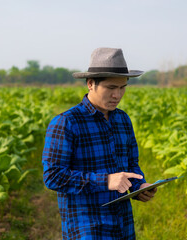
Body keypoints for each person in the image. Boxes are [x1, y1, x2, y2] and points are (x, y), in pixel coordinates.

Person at [42, 47, 156, 240]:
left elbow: (130, 165)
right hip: (87, 225)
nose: (117, 95)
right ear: (90, 84)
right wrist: (106, 181)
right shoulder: (67, 122)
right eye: (111, 88)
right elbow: (52, 176)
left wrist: (139, 187)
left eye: (122, 88)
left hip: (122, 224)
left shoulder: (123, 120)